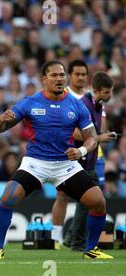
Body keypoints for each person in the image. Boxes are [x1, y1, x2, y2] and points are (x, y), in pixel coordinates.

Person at [0, 60, 113, 260]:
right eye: (54, 75)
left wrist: (81, 151)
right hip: (35, 163)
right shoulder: (30, 102)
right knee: (7, 198)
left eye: (62, 75)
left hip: (65, 165)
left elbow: (92, 138)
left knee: (99, 202)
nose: (59, 79)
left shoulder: (77, 105)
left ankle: (90, 250)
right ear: (44, 79)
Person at [61, 72, 118, 251]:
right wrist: (100, 138)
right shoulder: (84, 105)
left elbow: (95, 133)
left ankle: (73, 239)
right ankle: (76, 241)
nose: (110, 96)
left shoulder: (98, 105)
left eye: (111, 92)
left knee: (86, 204)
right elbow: (75, 132)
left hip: (91, 160)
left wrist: (103, 136)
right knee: (87, 203)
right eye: (106, 92)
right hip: (81, 160)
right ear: (96, 90)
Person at [51, 59, 90, 248]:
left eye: (84, 74)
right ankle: (56, 238)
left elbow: (99, 128)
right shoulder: (63, 96)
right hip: (65, 153)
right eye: (77, 74)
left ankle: (76, 237)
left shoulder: (91, 98)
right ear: (70, 76)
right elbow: (68, 129)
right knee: (62, 196)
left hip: (90, 154)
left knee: (89, 197)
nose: (81, 77)